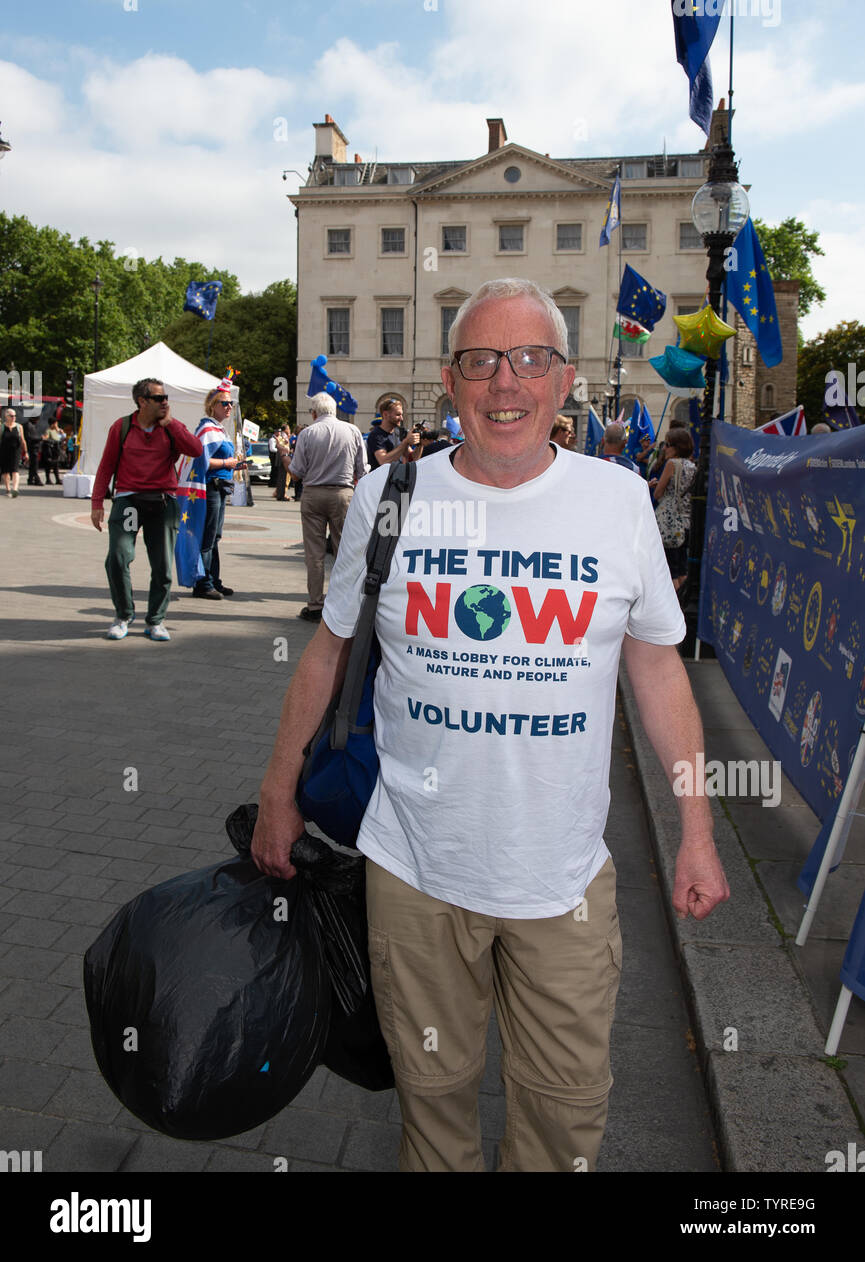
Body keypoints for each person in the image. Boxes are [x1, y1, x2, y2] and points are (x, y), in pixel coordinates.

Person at [252, 276, 729, 1173]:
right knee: (433, 1110)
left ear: (561, 381)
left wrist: (695, 832)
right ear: (450, 379)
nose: (505, 383)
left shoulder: (616, 502)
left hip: (560, 882)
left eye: (530, 360)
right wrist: (277, 793)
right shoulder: (389, 498)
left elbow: (658, 669)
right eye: (482, 362)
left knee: (563, 1121)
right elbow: (325, 654)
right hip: (415, 871)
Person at [91, 378, 203, 641]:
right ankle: (123, 615)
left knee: (162, 566)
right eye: (159, 398)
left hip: (162, 502)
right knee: (118, 557)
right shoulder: (122, 427)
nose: (165, 402)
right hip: (129, 501)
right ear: (142, 401)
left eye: (166, 397)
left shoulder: (171, 428)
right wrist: (97, 502)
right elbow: (106, 465)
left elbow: (196, 449)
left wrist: (171, 424)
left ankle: (155, 620)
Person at [284, 392, 367, 622]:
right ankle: (344, 604)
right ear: (334, 410)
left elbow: (297, 472)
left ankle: (315, 604)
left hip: (313, 494)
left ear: (314, 413)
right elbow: (363, 470)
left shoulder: (308, 433)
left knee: (315, 553)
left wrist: (284, 458)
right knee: (345, 551)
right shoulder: (352, 431)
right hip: (343, 494)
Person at [190, 383, 242, 601]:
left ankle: (213, 580)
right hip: (211, 487)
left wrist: (233, 465)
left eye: (231, 403)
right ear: (213, 406)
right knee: (208, 537)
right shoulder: (207, 429)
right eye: (225, 403)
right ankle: (203, 583)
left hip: (219, 487)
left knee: (215, 536)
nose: (229, 407)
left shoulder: (218, 429)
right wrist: (226, 462)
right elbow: (201, 460)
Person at [650, 427, 697, 593]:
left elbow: (658, 493)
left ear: (677, 447)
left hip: (671, 524)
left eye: (668, 444)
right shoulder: (692, 465)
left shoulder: (672, 464)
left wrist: (654, 485)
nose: (664, 448)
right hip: (686, 522)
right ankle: (685, 598)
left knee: (671, 570)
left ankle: (677, 604)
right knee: (682, 567)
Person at [366, 398, 420, 467]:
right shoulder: (376, 435)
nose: (401, 418)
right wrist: (406, 442)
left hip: (397, 476)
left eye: (402, 415)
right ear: (385, 414)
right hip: (381, 477)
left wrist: (420, 444)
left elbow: (412, 458)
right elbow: (383, 461)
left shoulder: (398, 432)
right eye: (398, 415)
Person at [1, 408, 27, 497]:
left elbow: (23, 440)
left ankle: (15, 489)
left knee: (15, 470)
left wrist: (26, 452)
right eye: (11, 416)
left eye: (15, 416)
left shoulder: (19, 427)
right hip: (4, 451)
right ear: (6, 416)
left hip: (16, 451)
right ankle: (8, 489)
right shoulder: (2, 427)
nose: (14, 417)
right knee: (5, 472)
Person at [42, 418, 63, 485]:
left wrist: (60, 431)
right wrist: (44, 437)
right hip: (51, 450)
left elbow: (61, 437)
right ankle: (48, 479)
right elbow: (46, 437)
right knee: (49, 465)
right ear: (53, 424)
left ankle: (57, 479)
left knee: (56, 466)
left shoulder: (56, 431)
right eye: (56, 423)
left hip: (56, 449)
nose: (57, 425)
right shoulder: (48, 430)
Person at [24, 417, 43, 486]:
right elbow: (29, 437)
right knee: (34, 464)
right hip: (32, 447)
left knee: (33, 464)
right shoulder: (28, 425)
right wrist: (41, 438)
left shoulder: (32, 425)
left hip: (35, 446)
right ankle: (36, 479)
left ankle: (30, 479)